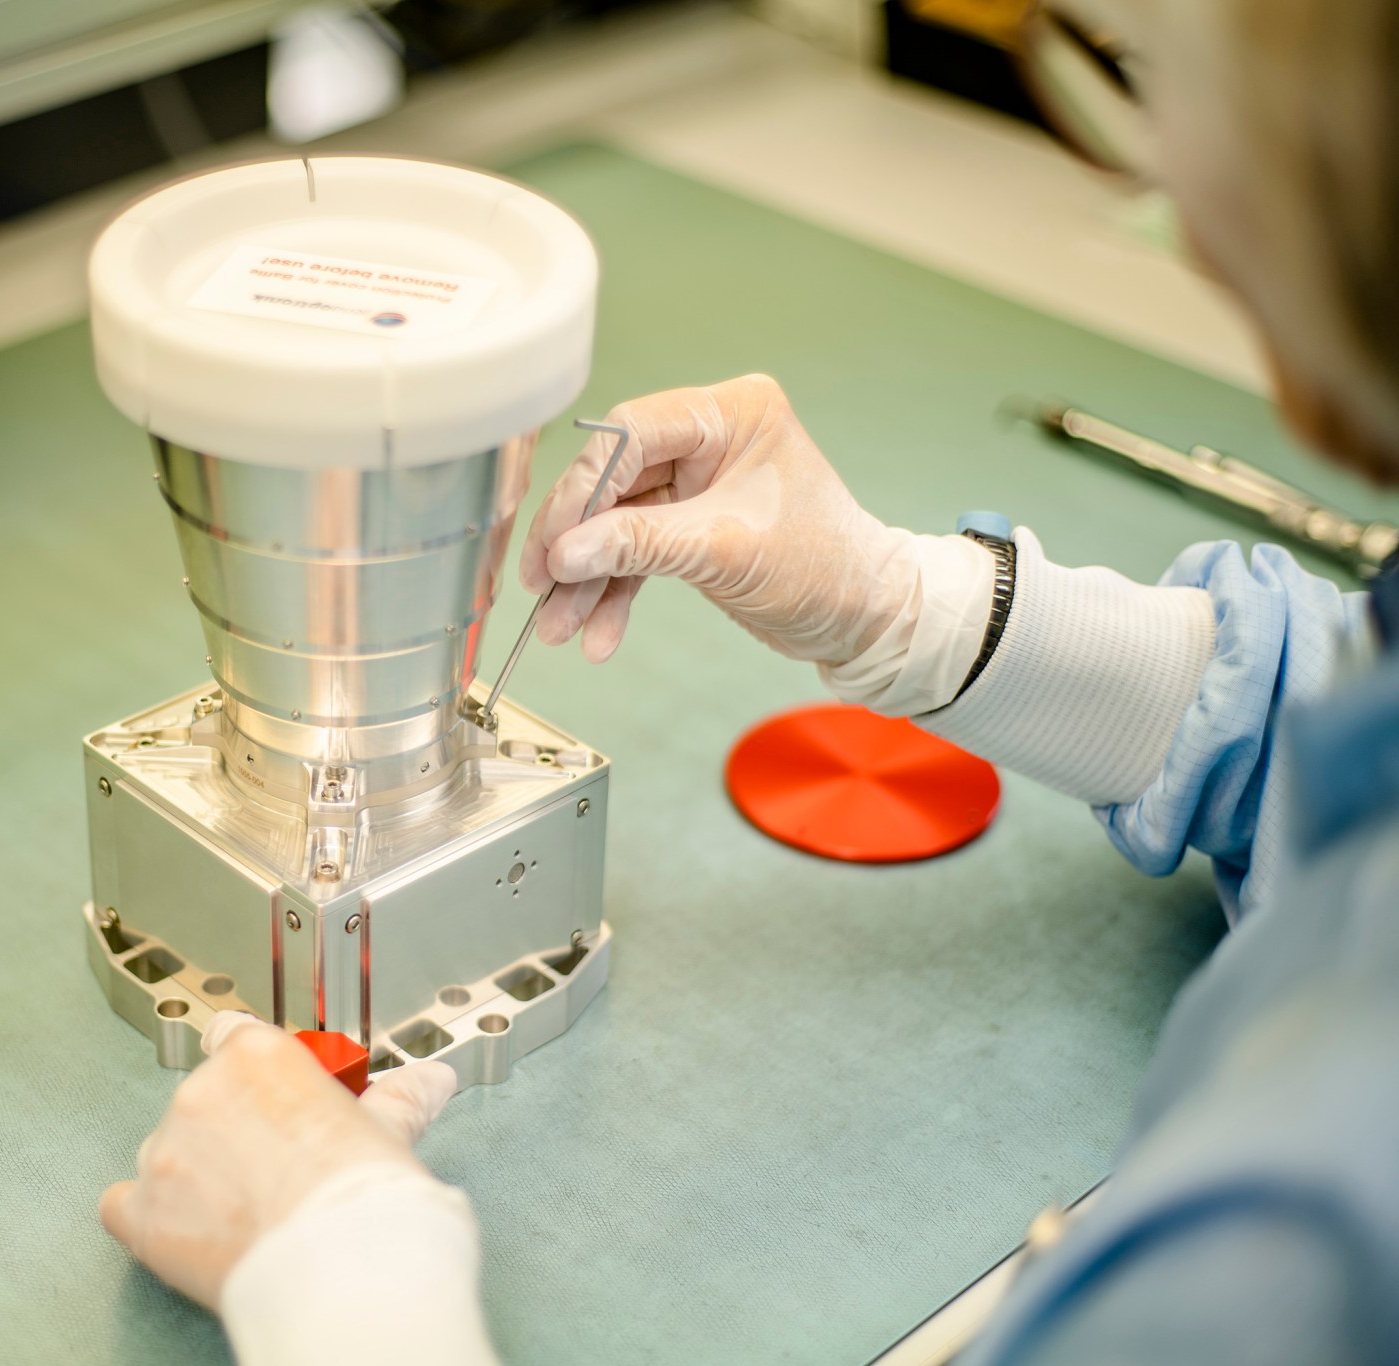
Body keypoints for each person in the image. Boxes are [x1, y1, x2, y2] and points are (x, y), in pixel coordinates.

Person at [98, 0, 1399, 1360]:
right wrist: (913, 609)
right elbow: (1346, 725)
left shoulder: (1307, 1221)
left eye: (1151, 84)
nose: (1166, 197)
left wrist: (348, 1287)